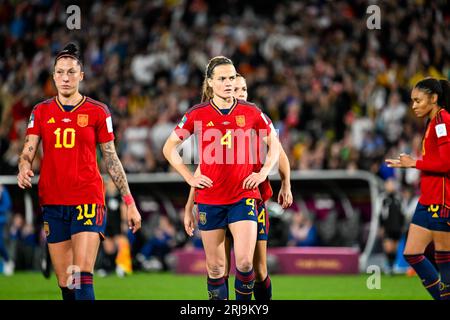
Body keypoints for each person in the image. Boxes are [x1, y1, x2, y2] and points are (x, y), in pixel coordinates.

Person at [17, 43, 142, 300]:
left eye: (71, 72)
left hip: (87, 198)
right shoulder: (40, 111)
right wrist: (23, 166)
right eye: (60, 72)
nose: (65, 77)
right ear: (53, 76)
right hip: (52, 200)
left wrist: (129, 201)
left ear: (81, 76)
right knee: (66, 283)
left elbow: (111, 158)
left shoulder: (98, 111)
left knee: (82, 275)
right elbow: (28, 149)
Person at [163, 56, 282, 300]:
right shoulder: (198, 114)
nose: (228, 83)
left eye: (231, 77)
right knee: (216, 268)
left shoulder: (250, 112)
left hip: (243, 196)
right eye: (222, 79)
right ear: (210, 83)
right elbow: (169, 147)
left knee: (246, 263)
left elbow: (275, 145)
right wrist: (188, 177)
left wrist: (262, 173)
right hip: (210, 199)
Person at [386, 77, 450, 300]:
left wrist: (413, 163)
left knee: (445, 260)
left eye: (417, 100)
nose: (413, 106)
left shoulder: (442, 120)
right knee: (412, 253)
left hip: (441, 200)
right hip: (427, 199)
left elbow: (446, 163)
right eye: (412, 101)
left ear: (433, 98)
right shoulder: (432, 122)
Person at [378, 178, 405, 274]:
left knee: (394, 248)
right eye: (389, 184)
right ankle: (388, 267)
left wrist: (402, 225)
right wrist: (380, 226)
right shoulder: (383, 198)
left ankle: (392, 266)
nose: (390, 186)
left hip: (397, 226)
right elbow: (380, 213)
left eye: (392, 184)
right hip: (387, 226)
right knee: (388, 248)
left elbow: (402, 213)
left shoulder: (399, 198)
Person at [0, 184, 14, 275]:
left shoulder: (3, 190)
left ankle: (8, 261)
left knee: (0, 243)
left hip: (1, 221)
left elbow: (8, 205)